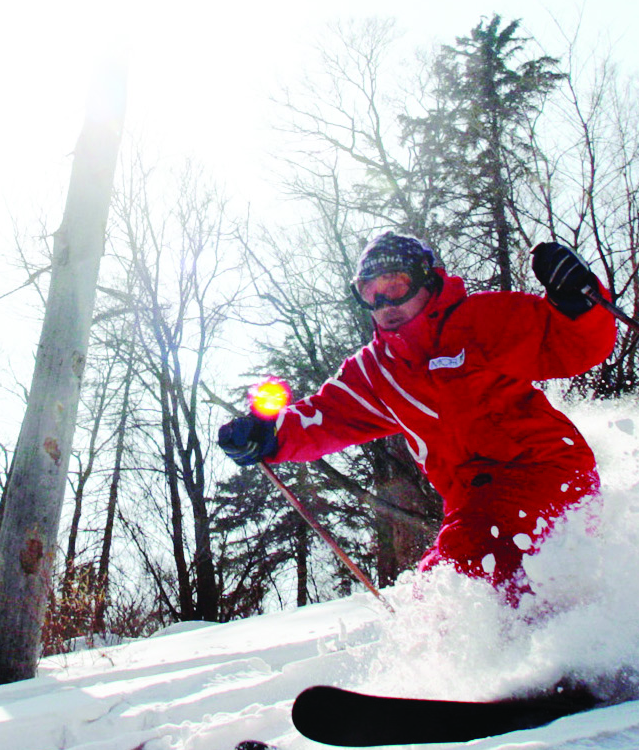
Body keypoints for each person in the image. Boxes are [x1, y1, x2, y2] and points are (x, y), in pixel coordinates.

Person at [218, 231, 617, 600]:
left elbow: (569, 344)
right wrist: (269, 434)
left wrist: (577, 301)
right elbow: (327, 415)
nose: (384, 304)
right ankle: (493, 665)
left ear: (426, 280)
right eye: (369, 293)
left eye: (395, 287)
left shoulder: (478, 321)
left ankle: (548, 656)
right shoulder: (378, 369)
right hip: (473, 500)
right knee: (432, 593)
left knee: (473, 558)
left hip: (546, 471)